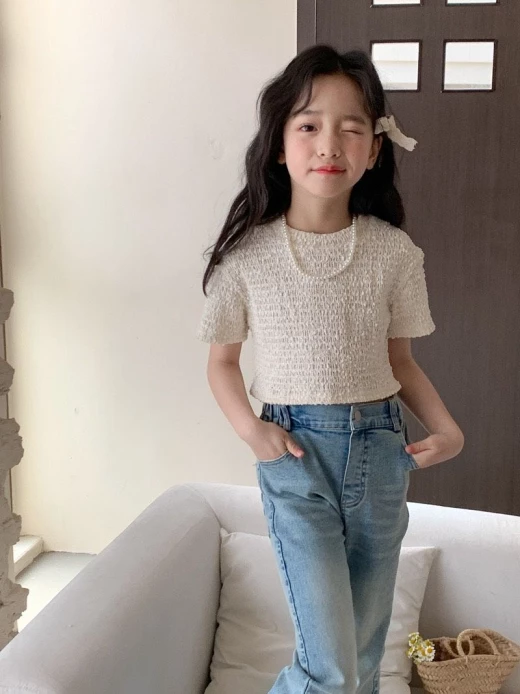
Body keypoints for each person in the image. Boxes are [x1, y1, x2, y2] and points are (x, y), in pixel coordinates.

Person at [196, 44, 464, 694]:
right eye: (310, 125)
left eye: (351, 127)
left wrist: (447, 428)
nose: (329, 144)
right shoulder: (246, 258)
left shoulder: (395, 253)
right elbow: (222, 362)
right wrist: (252, 432)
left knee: (364, 664)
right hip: (295, 458)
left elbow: (401, 361)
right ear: (278, 144)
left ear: (374, 149)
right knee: (333, 671)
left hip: (381, 454)